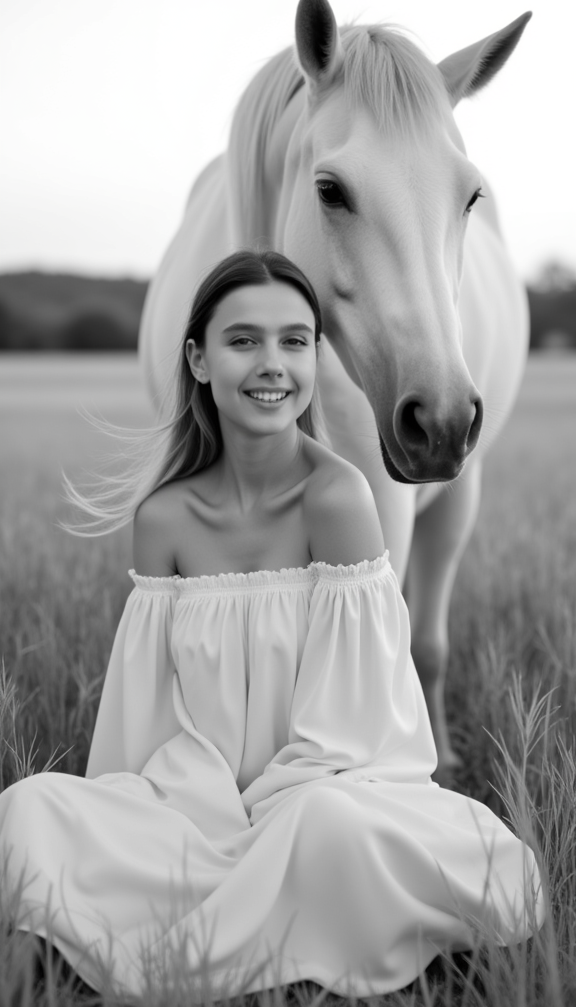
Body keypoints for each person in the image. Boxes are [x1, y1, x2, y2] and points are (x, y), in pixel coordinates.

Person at [0, 250, 543, 998]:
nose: (273, 364)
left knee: (326, 828)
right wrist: (193, 820)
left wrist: (268, 824)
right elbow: (145, 728)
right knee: (31, 807)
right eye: (244, 340)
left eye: (295, 341)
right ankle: (209, 914)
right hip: (193, 807)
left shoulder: (339, 499)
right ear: (197, 358)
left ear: (317, 357)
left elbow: (357, 729)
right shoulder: (166, 519)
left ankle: (156, 932)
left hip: (327, 794)